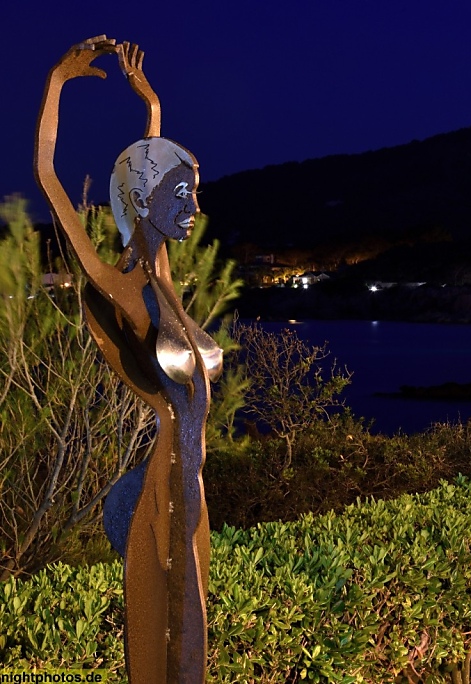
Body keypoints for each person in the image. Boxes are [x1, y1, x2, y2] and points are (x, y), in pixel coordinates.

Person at [35, 36, 221, 683]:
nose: (195, 207)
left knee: (185, 644)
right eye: (183, 194)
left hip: (188, 483)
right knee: (172, 645)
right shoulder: (124, 290)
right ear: (146, 200)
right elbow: (48, 178)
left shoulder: (162, 279)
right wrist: (57, 82)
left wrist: (155, 107)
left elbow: (145, 173)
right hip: (169, 478)